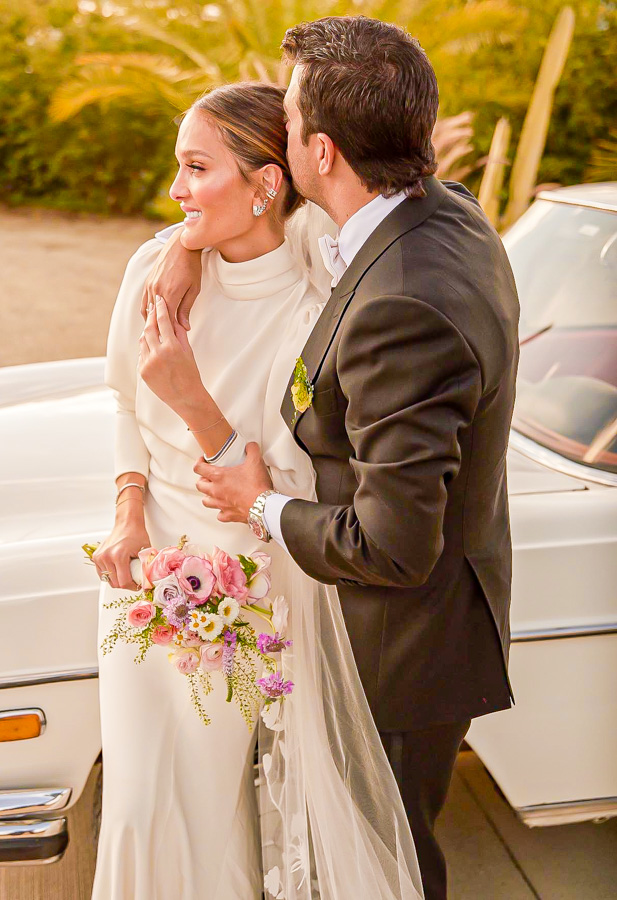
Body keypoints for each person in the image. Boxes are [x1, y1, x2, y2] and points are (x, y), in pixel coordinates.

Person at [144, 17, 520, 900]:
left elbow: (392, 544)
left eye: (288, 113)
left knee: (380, 864)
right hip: (428, 622)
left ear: (316, 152)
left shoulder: (403, 305)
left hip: (395, 647)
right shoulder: (447, 213)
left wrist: (256, 501)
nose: (276, 124)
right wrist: (183, 243)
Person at [90, 81, 422, 900]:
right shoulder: (154, 264)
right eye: (178, 167)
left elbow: (275, 484)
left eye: (197, 168)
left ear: (266, 183)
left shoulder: (312, 314)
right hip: (138, 571)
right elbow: (123, 400)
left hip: (236, 588)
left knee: (203, 807)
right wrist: (128, 514)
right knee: (132, 806)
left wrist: (191, 395)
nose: (175, 190)